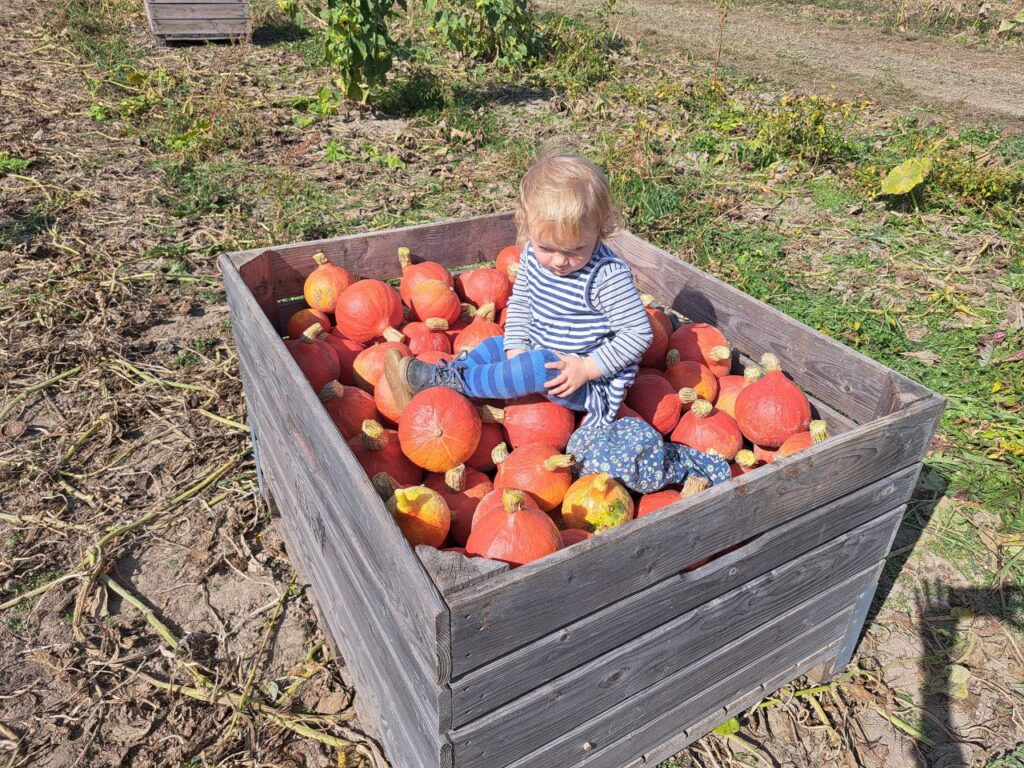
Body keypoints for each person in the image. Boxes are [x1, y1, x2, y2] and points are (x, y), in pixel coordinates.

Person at [385, 153, 653, 426]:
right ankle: (448, 379)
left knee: (536, 367)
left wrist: (587, 368)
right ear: (527, 226)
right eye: (547, 248)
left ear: (600, 227)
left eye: (575, 250)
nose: (559, 261)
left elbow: (638, 333)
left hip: (585, 381)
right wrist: (515, 348)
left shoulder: (607, 276)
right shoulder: (531, 257)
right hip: (540, 350)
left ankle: (453, 385)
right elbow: (522, 302)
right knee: (495, 345)